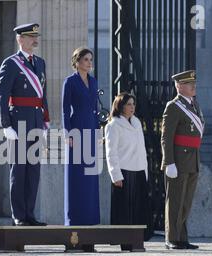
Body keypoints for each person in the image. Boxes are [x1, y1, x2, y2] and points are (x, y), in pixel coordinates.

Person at [0, 23, 48, 226]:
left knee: (33, 170)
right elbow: (2, 94)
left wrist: (45, 121)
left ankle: (30, 214)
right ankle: (19, 215)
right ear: (20, 39)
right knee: (19, 170)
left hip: (35, 120)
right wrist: (6, 125)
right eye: (30, 37)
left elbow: (43, 94)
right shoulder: (11, 63)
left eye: (35, 36)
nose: (35, 40)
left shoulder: (40, 63)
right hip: (18, 121)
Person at [161, 70, 204, 250]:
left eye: (193, 83)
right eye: (188, 83)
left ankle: (182, 237)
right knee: (175, 201)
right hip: (178, 160)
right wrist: (169, 162)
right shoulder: (173, 106)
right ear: (179, 86)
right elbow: (166, 137)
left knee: (186, 202)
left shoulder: (194, 105)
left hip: (192, 158)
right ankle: (172, 238)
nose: (193, 86)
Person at [105, 92, 153, 241]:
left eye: (133, 104)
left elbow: (141, 148)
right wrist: (115, 175)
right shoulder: (113, 125)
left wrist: (145, 170)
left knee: (139, 207)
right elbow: (111, 152)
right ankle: (123, 239)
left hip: (138, 170)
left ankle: (138, 239)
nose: (132, 107)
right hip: (123, 171)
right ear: (120, 106)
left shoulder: (137, 122)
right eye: (128, 104)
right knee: (124, 209)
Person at [62, 47, 100, 229]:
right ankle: (74, 218)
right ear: (77, 62)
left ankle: (90, 217)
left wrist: (98, 131)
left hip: (91, 129)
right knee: (76, 175)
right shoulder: (69, 82)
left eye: (90, 59)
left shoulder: (93, 82)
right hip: (76, 129)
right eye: (86, 59)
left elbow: (96, 108)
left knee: (90, 175)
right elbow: (64, 111)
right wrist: (67, 133)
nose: (89, 63)